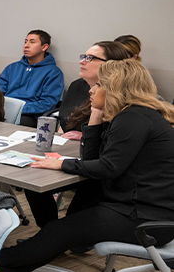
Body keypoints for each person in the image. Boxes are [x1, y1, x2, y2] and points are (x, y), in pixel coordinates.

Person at [0, 59, 174, 272]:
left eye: (99, 84)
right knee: (60, 231)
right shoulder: (131, 115)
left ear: (115, 88)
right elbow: (92, 161)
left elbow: (108, 167)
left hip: (147, 219)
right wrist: (97, 113)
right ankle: (2, 270)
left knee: (58, 231)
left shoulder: (133, 118)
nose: (91, 89)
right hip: (137, 206)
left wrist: (62, 165)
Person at [25, 40, 129, 228]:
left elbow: (106, 157)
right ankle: (50, 232)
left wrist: (85, 135)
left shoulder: (119, 102)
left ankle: (61, 236)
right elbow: (66, 121)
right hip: (79, 155)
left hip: (104, 174)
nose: (82, 61)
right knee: (32, 178)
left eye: (90, 58)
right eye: (84, 56)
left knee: (87, 189)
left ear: (112, 65)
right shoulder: (77, 86)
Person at [0, 30, 65, 127]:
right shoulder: (12, 67)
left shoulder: (54, 73)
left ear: (44, 47)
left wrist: (18, 109)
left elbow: (47, 103)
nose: (26, 45)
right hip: (4, 110)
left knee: (20, 122)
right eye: (25, 42)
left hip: (30, 115)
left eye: (32, 42)